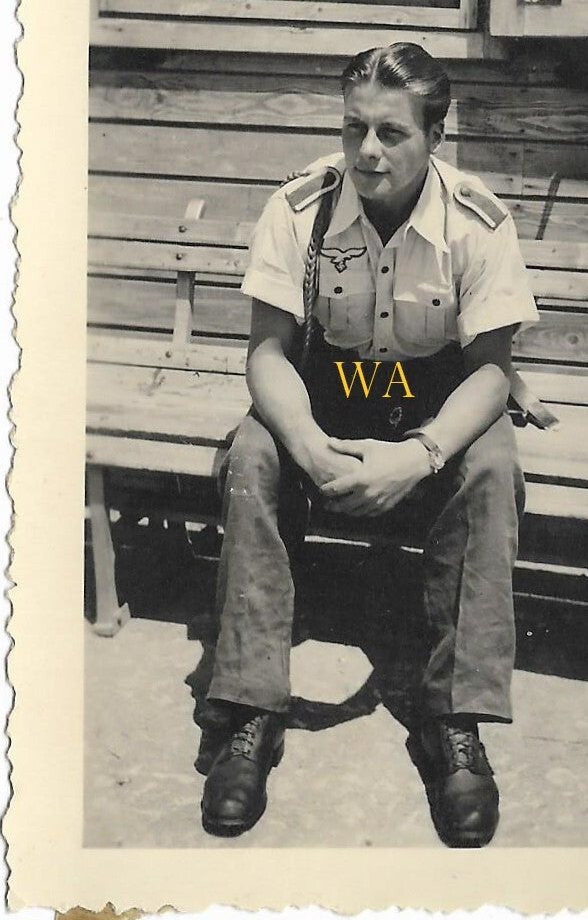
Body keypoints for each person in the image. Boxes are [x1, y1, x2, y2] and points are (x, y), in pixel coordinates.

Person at [198, 42, 539, 847]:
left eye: (392, 132)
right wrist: (310, 446)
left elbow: (492, 373)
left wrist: (418, 456)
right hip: (328, 391)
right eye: (355, 128)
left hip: (435, 396)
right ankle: (250, 708)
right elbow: (267, 353)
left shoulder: (477, 220)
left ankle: (453, 719)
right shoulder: (299, 208)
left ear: (436, 135)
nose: (368, 152)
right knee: (252, 454)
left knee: (492, 463)